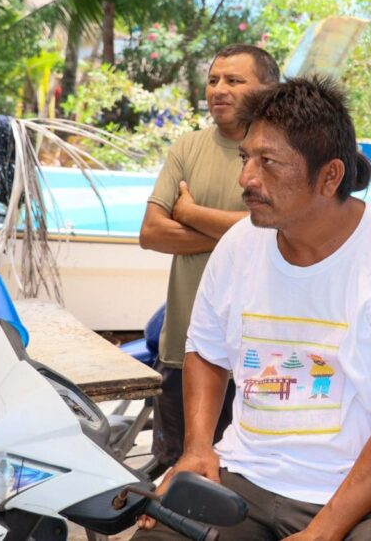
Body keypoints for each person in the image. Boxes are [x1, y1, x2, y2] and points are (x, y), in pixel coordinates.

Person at [136, 75, 371, 540]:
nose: (246, 178)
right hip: (249, 472)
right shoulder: (240, 244)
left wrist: (322, 532)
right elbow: (206, 351)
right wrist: (198, 449)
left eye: (268, 162)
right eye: (246, 158)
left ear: (329, 176)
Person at [139, 44, 280, 468]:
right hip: (184, 348)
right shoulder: (188, 147)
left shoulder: (282, 153)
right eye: (214, 80)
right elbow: (151, 233)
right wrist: (243, 228)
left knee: (248, 476)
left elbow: (281, 228)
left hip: (260, 355)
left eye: (234, 80)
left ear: (269, 88)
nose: (219, 89)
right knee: (178, 471)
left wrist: (190, 214)